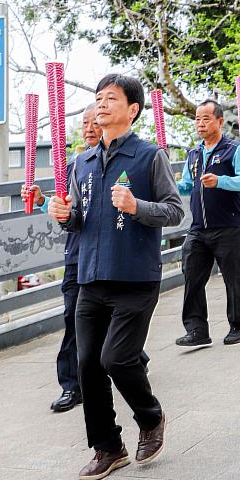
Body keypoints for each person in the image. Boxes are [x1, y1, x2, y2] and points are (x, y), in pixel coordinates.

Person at [48, 74, 184, 480]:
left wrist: (136, 205)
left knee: (117, 358)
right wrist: (64, 216)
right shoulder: (82, 163)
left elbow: (175, 212)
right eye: (98, 98)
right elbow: (79, 219)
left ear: (132, 110)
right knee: (87, 363)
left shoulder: (148, 157)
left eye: (111, 99)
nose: (101, 105)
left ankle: (151, 416)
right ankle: (107, 447)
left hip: (135, 278)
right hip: (90, 276)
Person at [23, 105, 152, 414]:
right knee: (73, 320)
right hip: (78, 257)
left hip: (113, 260)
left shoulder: (134, 160)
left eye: (96, 121)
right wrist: (44, 202)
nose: (91, 127)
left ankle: (132, 360)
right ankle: (71, 385)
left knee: (113, 323)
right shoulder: (78, 164)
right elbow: (69, 210)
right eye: (85, 123)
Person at [176, 100, 240, 347]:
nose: (200, 123)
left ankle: (239, 324)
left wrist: (220, 181)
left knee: (233, 277)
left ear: (220, 121)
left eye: (206, 118)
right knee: (192, 274)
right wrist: (172, 184)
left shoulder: (234, 149)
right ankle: (197, 329)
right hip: (198, 227)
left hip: (228, 225)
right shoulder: (194, 153)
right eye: (197, 119)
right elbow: (188, 184)